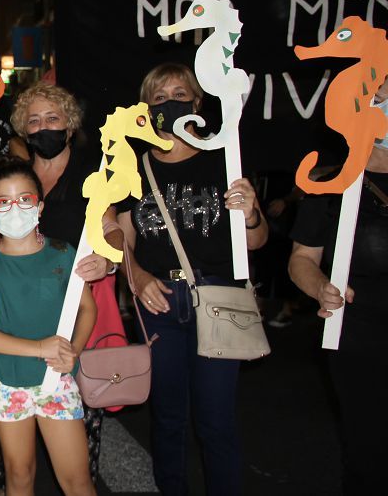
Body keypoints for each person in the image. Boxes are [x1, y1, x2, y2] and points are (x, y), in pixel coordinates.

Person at [116, 62, 267, 495]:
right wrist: (137, 276)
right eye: (159, 97)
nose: (170, 104)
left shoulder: (226, 159)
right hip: (158, 301)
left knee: (216, 421)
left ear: (197, 104)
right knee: (166, 419)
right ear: (146, 108)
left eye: (180, 94)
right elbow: (121, 238)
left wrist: (252, 213)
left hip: (219, 301)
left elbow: (256, 243)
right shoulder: (133, 167)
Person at [0, 158, 97, 496]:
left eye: (24, 199)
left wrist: (74, 352)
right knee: (19, 476)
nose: (15, 208)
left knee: (77, 480)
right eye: (4, 201)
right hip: (6, 384)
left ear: (39, 207)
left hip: (57, 380)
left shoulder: (62, 253)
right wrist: (41, 348)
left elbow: (86, 309)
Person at [10, 83, 118, 479]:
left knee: (76, 418)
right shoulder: (17, 176)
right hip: (23, 311)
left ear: (69, 126)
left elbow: (115, 229)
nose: (43, 127)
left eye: (52, 118)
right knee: (19, 420)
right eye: (34, 121)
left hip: (78, 309)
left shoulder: (95, 172)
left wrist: (107, 258)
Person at [287, 79, 388, 496]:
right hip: (360, 330)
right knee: (369, 447)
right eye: (378, 95)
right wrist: (321, 288)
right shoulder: (332, 184)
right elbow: (301, 260)